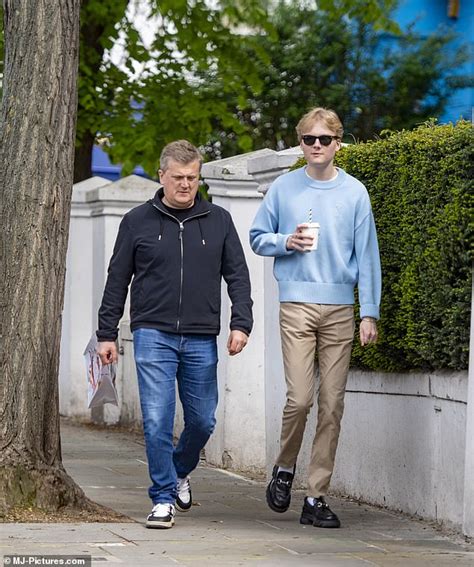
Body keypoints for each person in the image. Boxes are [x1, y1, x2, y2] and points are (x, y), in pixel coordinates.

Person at [96, 140, 253, 529]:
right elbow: (117, 279)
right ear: (162, 175)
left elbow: (238, 275)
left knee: (203, 421)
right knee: (156, 419)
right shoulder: (137, 221)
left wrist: (241, 323)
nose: (186, 185)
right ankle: (162, 498)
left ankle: (181, 470)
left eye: (193, 178)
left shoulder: (218, 220)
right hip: (152, 333)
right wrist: (106, 332)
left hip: (202, 335)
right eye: (178, 177)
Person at [249, 107, 381, 528]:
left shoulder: (355, 192)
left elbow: (368, 257)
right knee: (300, 399)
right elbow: (257, 237)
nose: (318, 146)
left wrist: (369, 312)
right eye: (310, 139)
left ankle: (316, 497)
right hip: (297, 306)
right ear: (300, 143)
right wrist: (286, 241)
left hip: (341, 308)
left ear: (338, 143)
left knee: (332, 405)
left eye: (325, 139)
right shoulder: (284, 189)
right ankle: (284, 468)